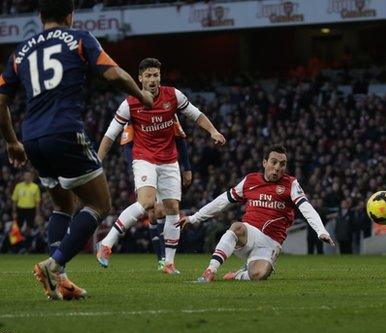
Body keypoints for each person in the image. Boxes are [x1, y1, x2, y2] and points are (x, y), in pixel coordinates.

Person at [0, 0, 153, 300]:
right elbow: (115, 75)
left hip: (32, 139)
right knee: (100, 204)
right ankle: (54, 265)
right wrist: (142, 96)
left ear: (39, 15)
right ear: (71, 15)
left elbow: (1, 101)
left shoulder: (20, 52)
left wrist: (11, 141)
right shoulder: (80, 38)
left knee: (63, 206)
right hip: (65, 132)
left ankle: (62, 282)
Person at [96, 57, 226, 274]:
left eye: (155, 75)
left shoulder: (173, 95)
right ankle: (107, 243)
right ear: (140, 79)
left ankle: (168, 263)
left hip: (169, 160)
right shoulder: (130, 103)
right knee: (147, 203)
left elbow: (196, 115)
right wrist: (98, 160)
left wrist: (213, 131)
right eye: (148, 76)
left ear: (159, 76)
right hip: (144, 158)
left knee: (173, 209)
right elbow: (110, 135)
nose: (152, 79)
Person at [177, 145, 335, 282]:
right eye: (274, 162)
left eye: (282, 164)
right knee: (237, 227)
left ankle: (240, 275)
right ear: (265, 163)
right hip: (248, 234)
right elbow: (222, 201)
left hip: (271, 242)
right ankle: (210, 271)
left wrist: (321, 231)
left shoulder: (290, 184)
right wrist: (194, 217)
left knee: (258, 275)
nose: (278, 167)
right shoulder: (250, 180)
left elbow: (306, 207)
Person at [119, 116, 192, 270]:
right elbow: (127, 146)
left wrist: (187, 166)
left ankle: (166, 259)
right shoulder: (134, 115)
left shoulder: (169, 113)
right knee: (152, 213)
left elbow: (180, 140)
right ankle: (160, 258)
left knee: (160, 211)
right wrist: (133, 169)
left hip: (165, 166)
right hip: (144, 166)